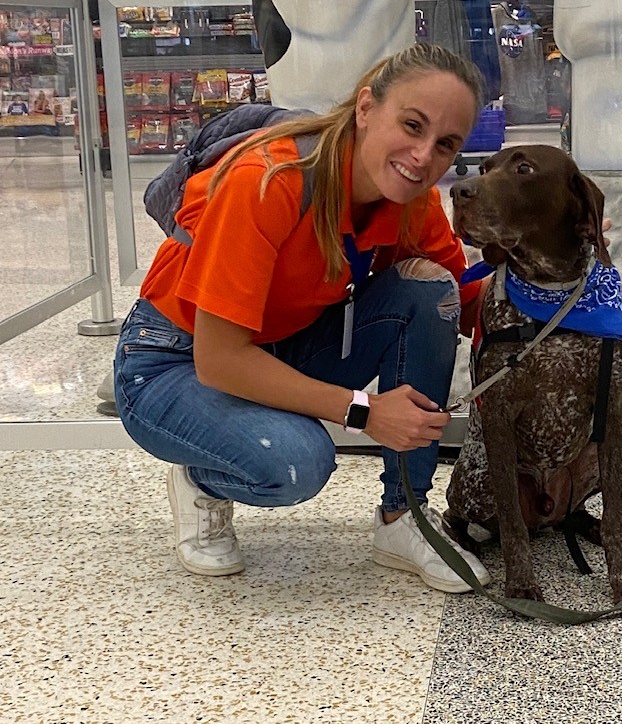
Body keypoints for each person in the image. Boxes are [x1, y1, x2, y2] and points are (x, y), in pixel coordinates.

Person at [113, 43, 492, 593]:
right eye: (412, 125)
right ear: (366, 107)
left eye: (446, 144)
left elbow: (462, 301)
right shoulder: (269, 179)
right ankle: (201, 473)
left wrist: (554, 274)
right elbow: (219, 360)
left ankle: (402, 516)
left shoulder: (413, 201)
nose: (422, 155)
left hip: (280, 343)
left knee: (428, 290)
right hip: (173, 363)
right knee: (295, 464)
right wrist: (364, 411)